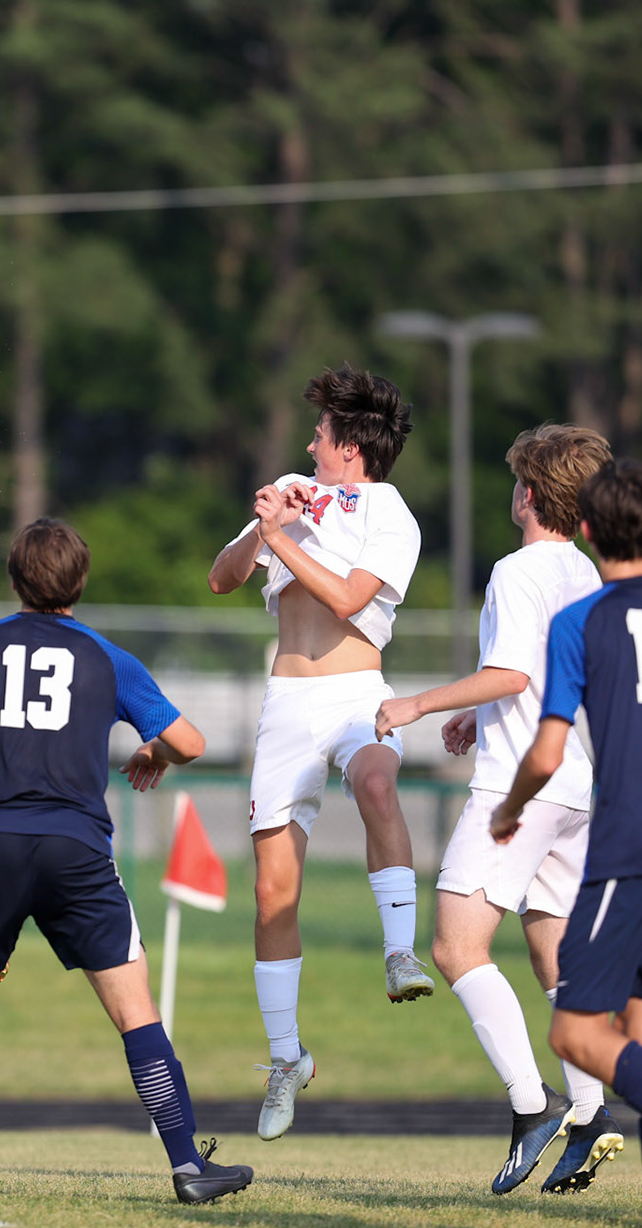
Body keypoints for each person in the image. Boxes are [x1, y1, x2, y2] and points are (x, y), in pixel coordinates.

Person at [0, 518, 252, 1205]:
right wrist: (154, 752)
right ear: (81, 582)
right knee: (135, 1011)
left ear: (13, 578)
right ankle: (188, 1166)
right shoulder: (107, 658)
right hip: (76, 848)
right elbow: (190, 739)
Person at [374, 423, 619, 1195]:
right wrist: (475, 716)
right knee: (555, 956)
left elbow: (512, 674)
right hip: (580, 785)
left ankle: (529, 1103)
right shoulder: (586, 573)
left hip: (522, 786)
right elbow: (556, 677)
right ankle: (590, 1111)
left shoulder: (518, 571)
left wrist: (417, 702)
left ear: (528, 494)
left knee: (455, 946)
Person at [491, 460, 642, 1228]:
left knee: (579, 1034)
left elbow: (548, 750)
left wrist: (510, 808)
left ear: (586, 529)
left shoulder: (581, 621)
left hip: (632, 848)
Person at [206, 364, 428, 1142]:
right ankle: (285, 1059)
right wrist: (259, 521)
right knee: (273, 890)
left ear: (350, 448)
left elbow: (346, 599)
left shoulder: (390, 513)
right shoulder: (290, 495)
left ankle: (400, 951)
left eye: (320, 435)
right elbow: (221, 578)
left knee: (375, 778)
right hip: (287, 705)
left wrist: (280, 536)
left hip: (356, 690)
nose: (308, 444)